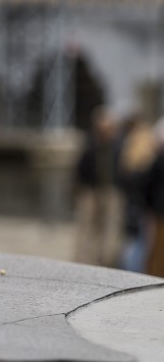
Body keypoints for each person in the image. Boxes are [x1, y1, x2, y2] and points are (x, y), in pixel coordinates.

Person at [72, 108, 121, 267]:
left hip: (110, 190)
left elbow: (122, 169)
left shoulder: (117, 146)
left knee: (108, 227)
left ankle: (104, 261)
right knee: (86, 227)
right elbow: (80, 169)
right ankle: (83, 260)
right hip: (90, 191)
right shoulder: (90, 145)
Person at [117, 118, 156, 272]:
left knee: (131, 241)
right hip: (142, 207)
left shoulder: (127, 161)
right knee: (140, 244)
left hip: (130, 205)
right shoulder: (147, 166)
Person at [142, 119, 164, 277]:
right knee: (157, 247)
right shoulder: (159, 160)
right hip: (159, 210)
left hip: (157, 209)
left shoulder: (158, 159)